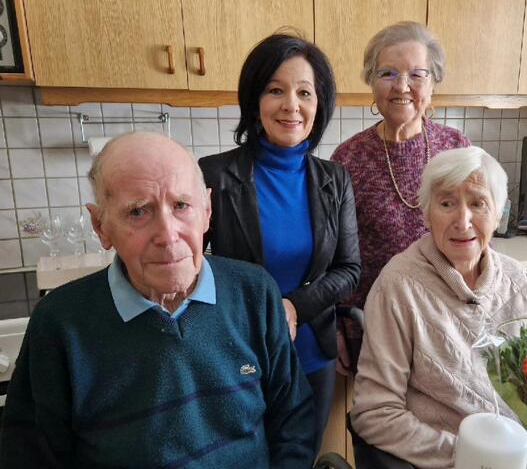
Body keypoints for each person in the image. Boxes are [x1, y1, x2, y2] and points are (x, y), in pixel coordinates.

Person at [0, 132, 315, 468]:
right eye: (138, 212)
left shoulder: (255, 292)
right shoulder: (59, 323)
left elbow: (293, 420)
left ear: (207, 210)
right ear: (100, 226)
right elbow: (29, 457)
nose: (167, 235)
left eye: (181, 205)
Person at [198, 33, 361, 454]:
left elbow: (349, 269)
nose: (292, 105)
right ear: (255, 100)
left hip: (312, 355)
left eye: (305, 92)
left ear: (319, 103)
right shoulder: (214, 176)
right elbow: (193, 268)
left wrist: (292, 307)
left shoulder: (334, 179)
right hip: (239, 356)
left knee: (299, 457)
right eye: (276, 90)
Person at [350, 146, 527, 469]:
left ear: (499, 213)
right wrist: (466, 455)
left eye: (478, 203)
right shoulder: (399, 286)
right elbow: (374, 413)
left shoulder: (518, 280)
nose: (462, 221)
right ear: (426, 212)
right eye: (447, 203)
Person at [331, 21, 470, 371]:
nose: (402, 86)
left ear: (433, 83)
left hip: (446, 322)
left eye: (417, 74)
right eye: (388, 73)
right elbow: (332, 255)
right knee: (380, 421)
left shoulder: (456, 148)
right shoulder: (348, 159)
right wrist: (335, 324)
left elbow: (478, 239)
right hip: (373, 325)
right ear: (371, 83)